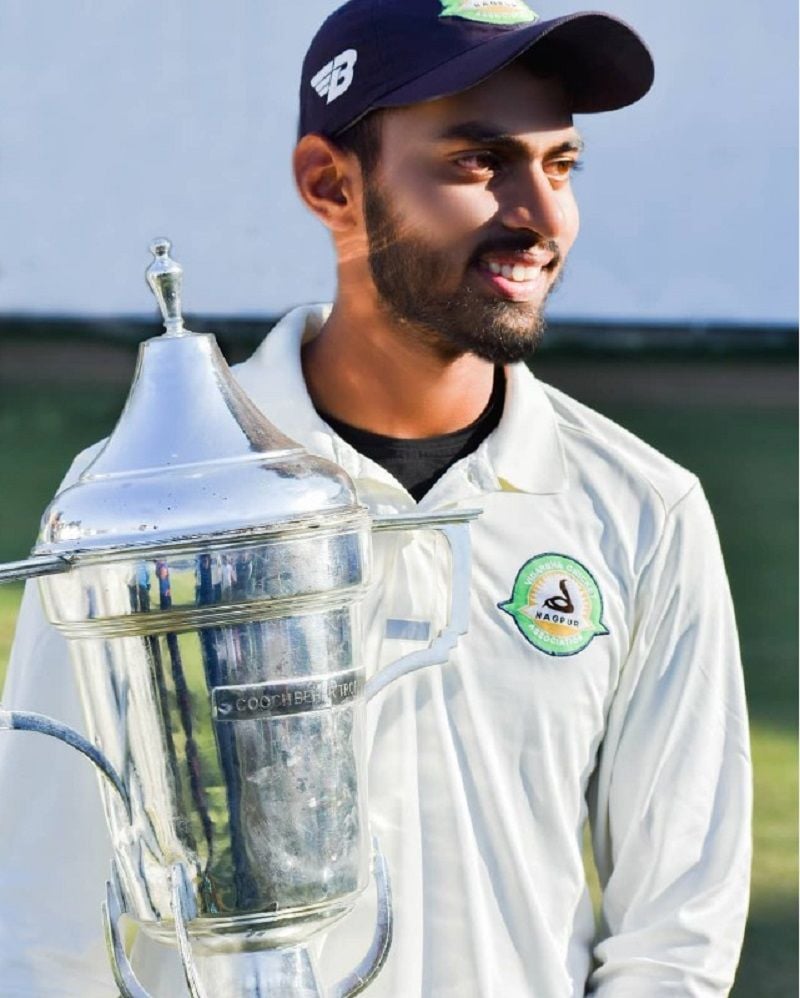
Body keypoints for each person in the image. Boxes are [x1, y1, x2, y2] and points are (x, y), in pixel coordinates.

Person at [0, 1, 751, 995]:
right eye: (477, 162)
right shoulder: (136, 502)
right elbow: (43, 915)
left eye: (559, 163)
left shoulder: (641, 507)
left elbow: (676, 932)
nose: (539, 214)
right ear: (331, 184)